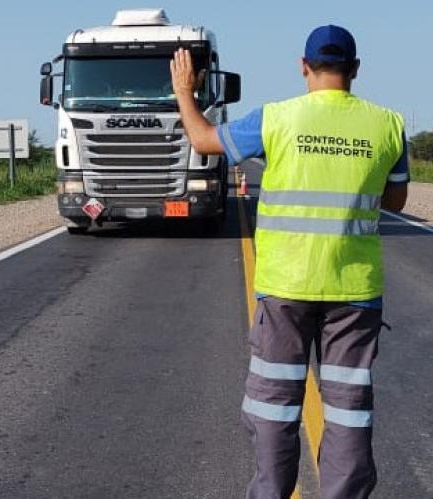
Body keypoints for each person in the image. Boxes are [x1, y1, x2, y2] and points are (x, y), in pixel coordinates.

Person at [170, 25, 409, 499]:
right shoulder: (388, 124)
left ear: (304, 67)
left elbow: (202, 140)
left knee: (275, 407)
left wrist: (184, 92)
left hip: (284, 290)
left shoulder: (275, 119)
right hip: (354, 294)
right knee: (347, 410)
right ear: (355, 71)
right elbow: (396, 200)